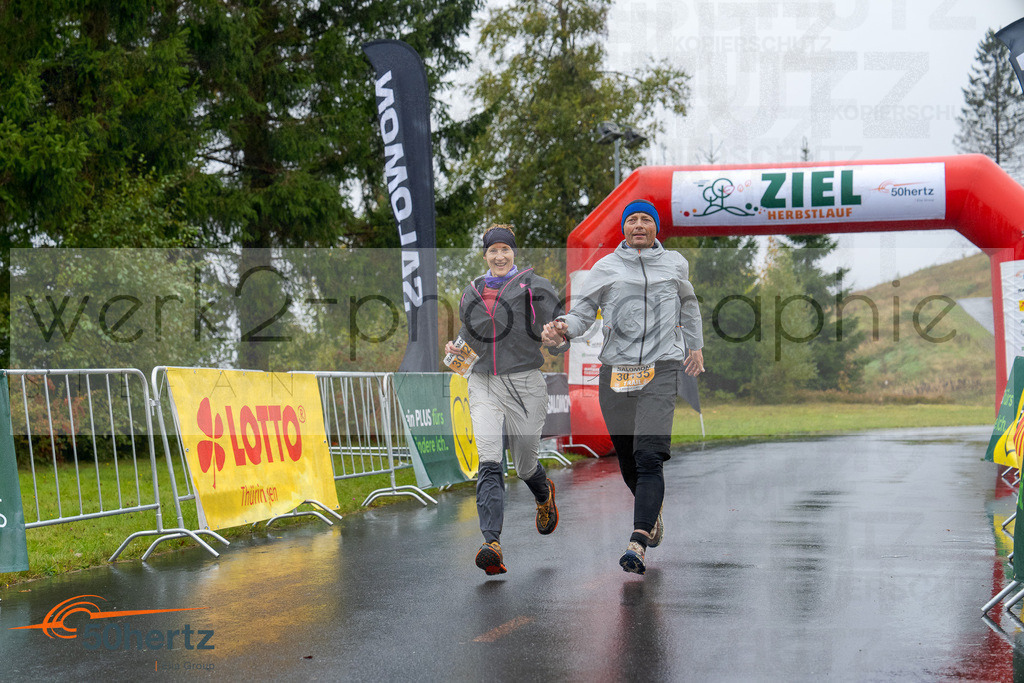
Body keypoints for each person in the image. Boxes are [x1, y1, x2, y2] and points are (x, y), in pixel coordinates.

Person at [542, 199, 704, 575]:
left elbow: (689, 305)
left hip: (662, 367)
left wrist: (694, 346)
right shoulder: (606, 267)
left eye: (647, 219)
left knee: (650, 456)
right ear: (624, 229)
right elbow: (582, 313)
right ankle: (652, 512)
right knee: (629, 460)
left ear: (656, 228)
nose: (639, 225)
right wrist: (563, 328)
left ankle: (638, 540)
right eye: (632, 220)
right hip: (616, 371)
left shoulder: (675, 263)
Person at [446, 224, 566, 576]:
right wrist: (456, 348)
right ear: (484, 255)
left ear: (514, 253)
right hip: (482, 382)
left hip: (524, 383)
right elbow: (468, 336)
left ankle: (543, 494)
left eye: (505, 250)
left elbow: (561, 335)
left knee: (525, 463)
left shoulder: (536, 286)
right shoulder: (472, 292)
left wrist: (556, 337)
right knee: (489, 459)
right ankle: (491, 543)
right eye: (492, 250)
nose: (499, 256)